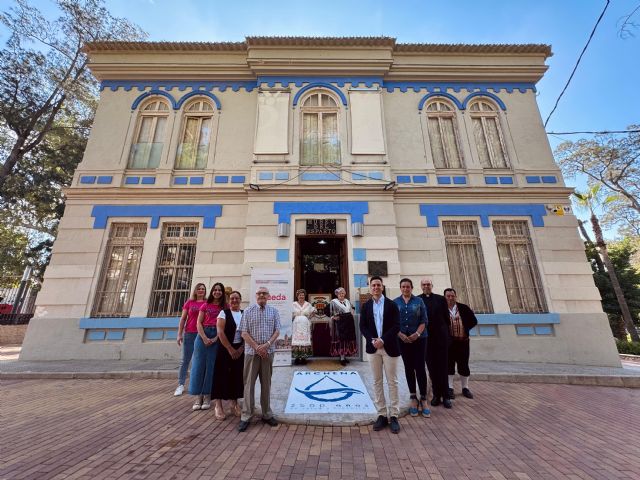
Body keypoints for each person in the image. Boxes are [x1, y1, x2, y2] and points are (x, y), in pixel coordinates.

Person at [359, 276, 402, 434]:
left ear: (382, 287)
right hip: (373, 349)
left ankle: (394, 415)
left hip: (389, 347)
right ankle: (382, 414)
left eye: (378, 285)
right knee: (377, 382)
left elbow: (397, 325)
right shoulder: (366, 306)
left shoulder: (391, 305)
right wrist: (373, 340)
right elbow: (362, 326)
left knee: (393, 382)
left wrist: (383, 339)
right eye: (373, 285)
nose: (376, 287)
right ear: (370, 287)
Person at [237, 286, 281, 432]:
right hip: (252, 353)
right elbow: (244, 333)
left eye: (265, 293)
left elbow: (277, 331)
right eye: (259, 293)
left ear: (268, 296)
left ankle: (267, 414)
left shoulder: (274, 311)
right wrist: (257, 347)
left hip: (268, 353)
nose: (262, 295)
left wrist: (267, 345)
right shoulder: (248, 311)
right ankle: (246, 415)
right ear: (256, 296)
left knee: (266, 384)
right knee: (249, 384)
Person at [393, 278, 430, 418]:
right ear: (400, 288)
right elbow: (392, 322)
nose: (405, 289)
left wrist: (417, 334)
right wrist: (400, 334)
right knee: (408, 367)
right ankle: (413, 398)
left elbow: (424, 321)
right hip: (402, 339)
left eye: (408, 287)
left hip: (419, 339)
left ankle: (424, 399)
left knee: (420, 367)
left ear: (412, 288)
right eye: (403, 286)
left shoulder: (419, 301)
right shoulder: (395, 302)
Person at [189, 282, 226, 411]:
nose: (217, 292)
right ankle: (198, 397)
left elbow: (225, 326)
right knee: (198, 366)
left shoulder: (224, 307)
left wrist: (216, 338)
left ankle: (207, 395)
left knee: (211, 366)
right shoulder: (205, 305)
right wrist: (204, 338)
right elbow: (199, 322)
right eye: (215, 290)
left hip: (217, 336)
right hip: (202, 335)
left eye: (219, 290)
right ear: (212, 292)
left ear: (222, 292)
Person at [419, 278, 453, 409]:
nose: (426, 286)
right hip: (426, 339)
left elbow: (447, 319)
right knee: (432, 369)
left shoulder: (440, 299)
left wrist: (448, 336)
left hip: (441, 338)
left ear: (432, 286)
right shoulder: (417, 300)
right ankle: (436, 395)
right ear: (421, 286)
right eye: (424, 284)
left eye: (428, 284)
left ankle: (446, 396)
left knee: (443, 367)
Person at [211, 290, 244, 420]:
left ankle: (234, 403)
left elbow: (248, 332)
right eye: (232, 298)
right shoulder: (223, 313)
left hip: (239, 348)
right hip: (225, 348)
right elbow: (220, 332)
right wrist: (230, 348)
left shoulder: (244, 313)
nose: (234, 300)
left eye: (237, 298)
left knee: (236, 376)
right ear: (229, 301)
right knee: (220, 375)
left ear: (240, 300)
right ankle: (218, 405)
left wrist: (241, 348)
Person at [444, 288, 478, 400]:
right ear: (445, 297)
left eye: (452, 296)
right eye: (448, 296)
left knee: (463, 365)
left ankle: (465, 388)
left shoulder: (463, 308)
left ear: (455, 296)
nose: (450, 298)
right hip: (449, 343)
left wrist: (464, 328)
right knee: (449, 365)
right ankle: (450, 388)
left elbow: (474, 321)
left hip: (463, 342)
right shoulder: (442, 309)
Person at [174, 283, 207, 396]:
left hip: (202, 334)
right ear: (195, 290)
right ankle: (181, 385)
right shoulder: (189, 302)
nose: (201, 291)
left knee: (200, 361)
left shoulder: (207, 303)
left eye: (203, 289)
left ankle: (199, 384)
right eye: (199, 289)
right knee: (185, 360)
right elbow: (183, 319)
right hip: (189, 334)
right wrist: (179, 334)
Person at [329, 287, 358, 366]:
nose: (341, 295)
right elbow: (328, 311)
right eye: (340, 293)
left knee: (347, 339)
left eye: (343, 293)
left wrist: (352, 311)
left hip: (348, 322)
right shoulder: (333, 302)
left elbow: (352, 308)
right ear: (337, 294)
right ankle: (341, 358)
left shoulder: (347, 301)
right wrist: (333, 317)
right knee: (342, 340)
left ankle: (345, 357)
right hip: (340, 323)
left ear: (345, 294)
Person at [291, 289, 313, 364]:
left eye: (303, 295)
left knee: (304, 340)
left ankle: (304, 357)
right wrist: (292, 318)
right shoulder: (293, 304)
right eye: (300, 295)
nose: (301, 296)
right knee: (296, 340)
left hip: (305, 325)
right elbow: (289, 313)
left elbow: (313, 311)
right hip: (296, 325)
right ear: (297, 296)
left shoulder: (308, 304)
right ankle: (297, 358)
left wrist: (309, 317)